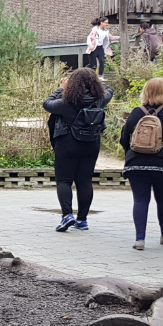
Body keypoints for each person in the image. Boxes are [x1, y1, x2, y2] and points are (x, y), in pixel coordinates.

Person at [120, 77, 163, 250]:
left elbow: (123, 138)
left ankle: (139, 239)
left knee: (140, 200)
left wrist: (132, 153)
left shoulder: (136, 112)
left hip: (136, 164)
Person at [44, 68, 113, 231]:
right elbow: (110, 89)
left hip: (67, 143)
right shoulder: (100, 100)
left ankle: (67, 215)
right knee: (85, 181)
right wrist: (96, 81)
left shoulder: (65, 103)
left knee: (64, 180)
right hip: (91, 144)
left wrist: (61, 88)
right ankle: (82, 220)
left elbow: (47, 104)